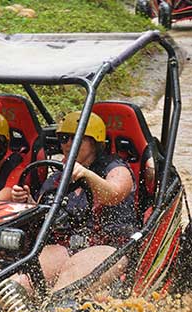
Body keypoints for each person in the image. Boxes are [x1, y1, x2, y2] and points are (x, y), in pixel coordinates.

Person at [11, 111, 141, 292]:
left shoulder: (115, 168)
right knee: (19, 285)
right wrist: (28, 201)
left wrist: (86, 174)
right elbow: (44, 215)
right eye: (64, 138)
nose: (69, 144)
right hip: (64, 246)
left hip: (107, 246)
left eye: (77, 138)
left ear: (95, 142)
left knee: (65, 291)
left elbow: (114, 195)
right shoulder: (57, 177)